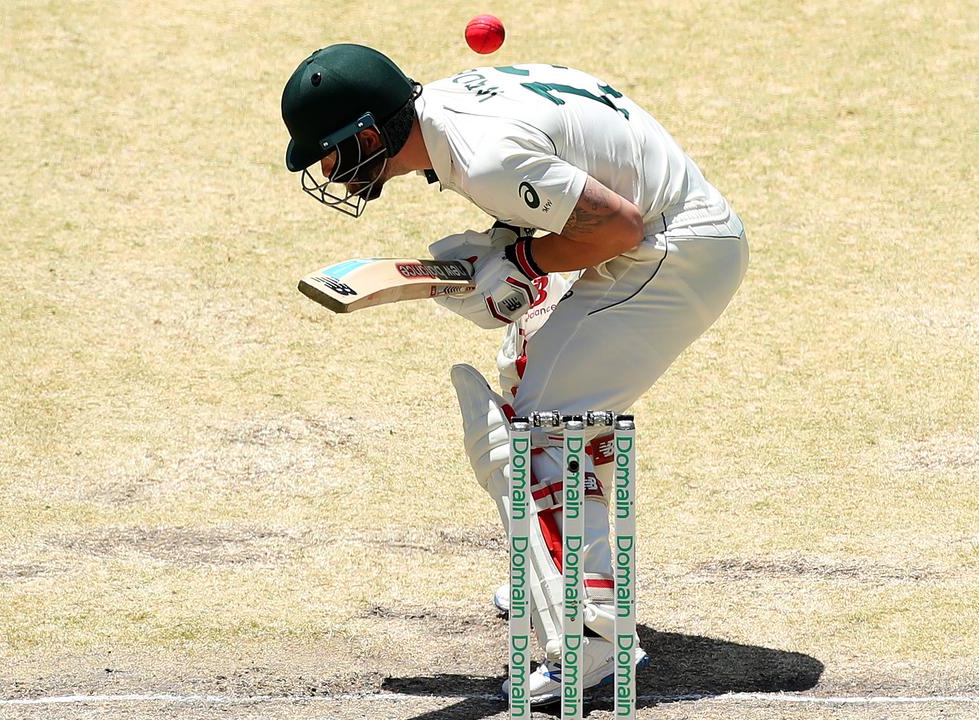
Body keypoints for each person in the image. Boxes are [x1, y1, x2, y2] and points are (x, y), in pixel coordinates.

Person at [280, 43, 748, 706]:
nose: (327, 169)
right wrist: (512, 249)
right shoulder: (447, 113)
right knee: (525, 365)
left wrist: (523, 261)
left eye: (328, 151)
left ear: (368, 134)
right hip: (664, 234)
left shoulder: (482, 156)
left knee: (538, 431)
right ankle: (558, 577)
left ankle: (592, 641)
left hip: (673, 254)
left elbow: (617, 225)